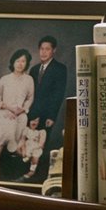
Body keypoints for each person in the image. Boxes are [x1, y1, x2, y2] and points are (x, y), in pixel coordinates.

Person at [25, 35, 68, 181]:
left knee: (41, 143)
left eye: (47, 49)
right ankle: (26, 169)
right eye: (42, 49)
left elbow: (58, 94)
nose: (43, 52)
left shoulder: (60, 69)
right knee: (29, 140)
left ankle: (35, 173)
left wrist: (51, 116)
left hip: (47, 113)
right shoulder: (34, 69)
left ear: (53, 50)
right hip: (32, 111)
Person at [0, 48, 36, 180]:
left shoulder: (29, 80)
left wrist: (22, 110)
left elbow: (30, 98)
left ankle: (15, 155)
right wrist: (8, 107)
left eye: (23, 61)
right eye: (18, 61)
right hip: (5, 111)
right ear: (13, 62)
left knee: (22, 121)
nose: (20, 64)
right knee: (1, 136)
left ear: (26, 64)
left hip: (20, 113)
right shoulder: (4, 79)